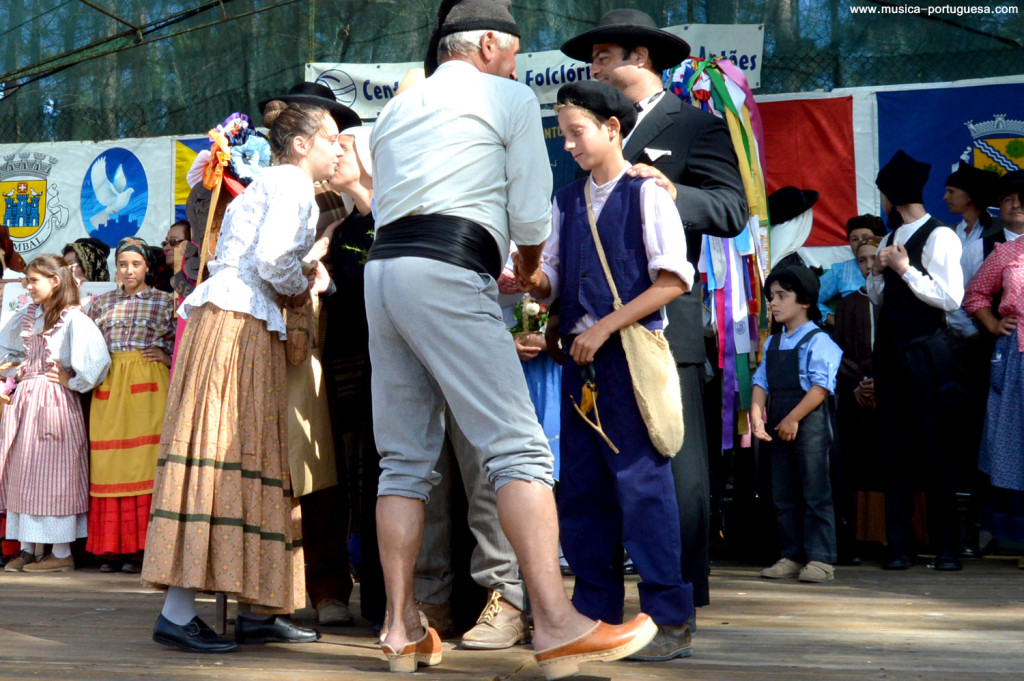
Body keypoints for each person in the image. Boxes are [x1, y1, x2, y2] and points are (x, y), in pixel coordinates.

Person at [367, 1, 657, 676]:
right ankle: (555, 621)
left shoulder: (394, 110)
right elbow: (530, 215)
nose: (517, 68)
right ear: (491, 45)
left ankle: (399, 627)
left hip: (383, 274)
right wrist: (527, 270)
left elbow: (388, 204)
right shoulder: (508, 98)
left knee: (402, 461)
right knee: (520, 447)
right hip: (446, 269)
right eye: (516, 55)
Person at [141, 86, 353, 653]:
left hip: (235, 321)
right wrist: (307, 280)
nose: (339, 149)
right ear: (302, 144)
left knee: (253, 455)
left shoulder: (274, 182)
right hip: (238, 323)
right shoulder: (292, 184)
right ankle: (177, 612)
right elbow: (272, 261)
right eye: (332, 139)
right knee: (223, 454)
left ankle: (260, 604)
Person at [560, 7, 747, 620]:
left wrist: (669, 190)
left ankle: (678, 605)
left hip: (662, 327)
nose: (594, 68)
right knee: (593, 476)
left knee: (672, 471)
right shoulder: (581, 133)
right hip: (588, 336)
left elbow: (732, 209)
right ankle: (601, 608)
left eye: (603, 57)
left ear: (640, 58)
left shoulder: (694, 125)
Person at [530, 80, 694, 660]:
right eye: (564, 134)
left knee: (643, 490)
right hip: (580, 367)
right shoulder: (565, 200)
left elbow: (672, 281)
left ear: (612, 128)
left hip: (628, 364)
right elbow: (551, 279)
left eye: (577, 132)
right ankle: (596, 618)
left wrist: (603, 328)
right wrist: (529, 280)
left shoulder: (648, 194)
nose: (569, 144)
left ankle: (669, 620)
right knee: (582, 491)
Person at [866, 149, 964, 571]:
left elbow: (951, 298)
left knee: (936, 447)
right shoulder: (887, 239)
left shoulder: (940, 236)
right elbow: (879, 300)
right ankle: (900, 546)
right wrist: (876, 272)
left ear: (894, 194)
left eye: (883, 196)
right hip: (891, 355)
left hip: (927, 352)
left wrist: (906, 269)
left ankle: (947, 548)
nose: (882, 204)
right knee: (895, 449)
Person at [0, 254, 110, 573]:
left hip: (54, 404)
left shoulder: (73, 319)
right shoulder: (30, 316)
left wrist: (73, 381)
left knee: (55, 474)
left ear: (55, 281)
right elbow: (8, 351)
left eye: (34, 280)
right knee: (24, 472)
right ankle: (28, 548)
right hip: (26, 403)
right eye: (27, 280)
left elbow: (97, 361)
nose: (28, 286)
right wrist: (16, 372)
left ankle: (61, 553)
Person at [85, 238, 175, 573]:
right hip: (110, 385)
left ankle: (143, 549)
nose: (129, 270)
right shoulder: (100, 303)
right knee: (109, 464)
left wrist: (167, 357)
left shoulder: (166, 302)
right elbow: (87, 346)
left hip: (149, 386)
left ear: (148, 267)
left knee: (146, 464)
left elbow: (182, 341)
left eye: (136, 264)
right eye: (122, 264)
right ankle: (112, 548)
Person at [752, 266, 842, 583]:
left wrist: (793, 418)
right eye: (771, 297)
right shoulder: (774, 342)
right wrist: (756, 415)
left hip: (809, 423)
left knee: (815, 491)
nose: (774, 303)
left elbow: (820, 387)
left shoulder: (820, 340)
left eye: (782, 296)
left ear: (804, 300)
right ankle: (790, 555)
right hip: (780, 423)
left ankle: (821, 559)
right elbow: (761, 381)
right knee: (783, 492)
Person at [963, 170, 1024, 557]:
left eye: (1022, 198)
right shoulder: (1000, 251)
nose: (1016, 204)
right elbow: (974, 296)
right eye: (1007, 199)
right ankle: (1000, 531)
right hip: (1014, 356)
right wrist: (993, 323)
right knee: (1010, 443)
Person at [833, 238, 884, 542]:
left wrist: (883, 383)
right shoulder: (848, 304)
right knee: (856, 460)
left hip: (891, 396)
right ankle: (857, 534)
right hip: (857, 396)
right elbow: (838, 351)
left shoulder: (897, 301)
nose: (868, 265)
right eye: (862, 260)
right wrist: (858, 383)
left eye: (873, 258)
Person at [817, 216, 888, 324]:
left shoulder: (893, 265)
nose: (860, 242)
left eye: (866, 237)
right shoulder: (841, 270)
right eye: (855, 239)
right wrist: (833, 320)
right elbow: (808, 299)